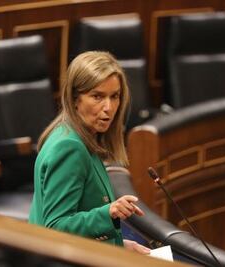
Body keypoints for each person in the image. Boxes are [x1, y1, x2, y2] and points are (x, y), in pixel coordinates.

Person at [29, 51, 150, 254]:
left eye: (115, 96)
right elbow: (56, 227)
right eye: (97, 96)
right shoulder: (69, 148)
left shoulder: (74, 135)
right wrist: (109, 212)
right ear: (75, 98)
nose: (108, 107)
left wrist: (120, 247)